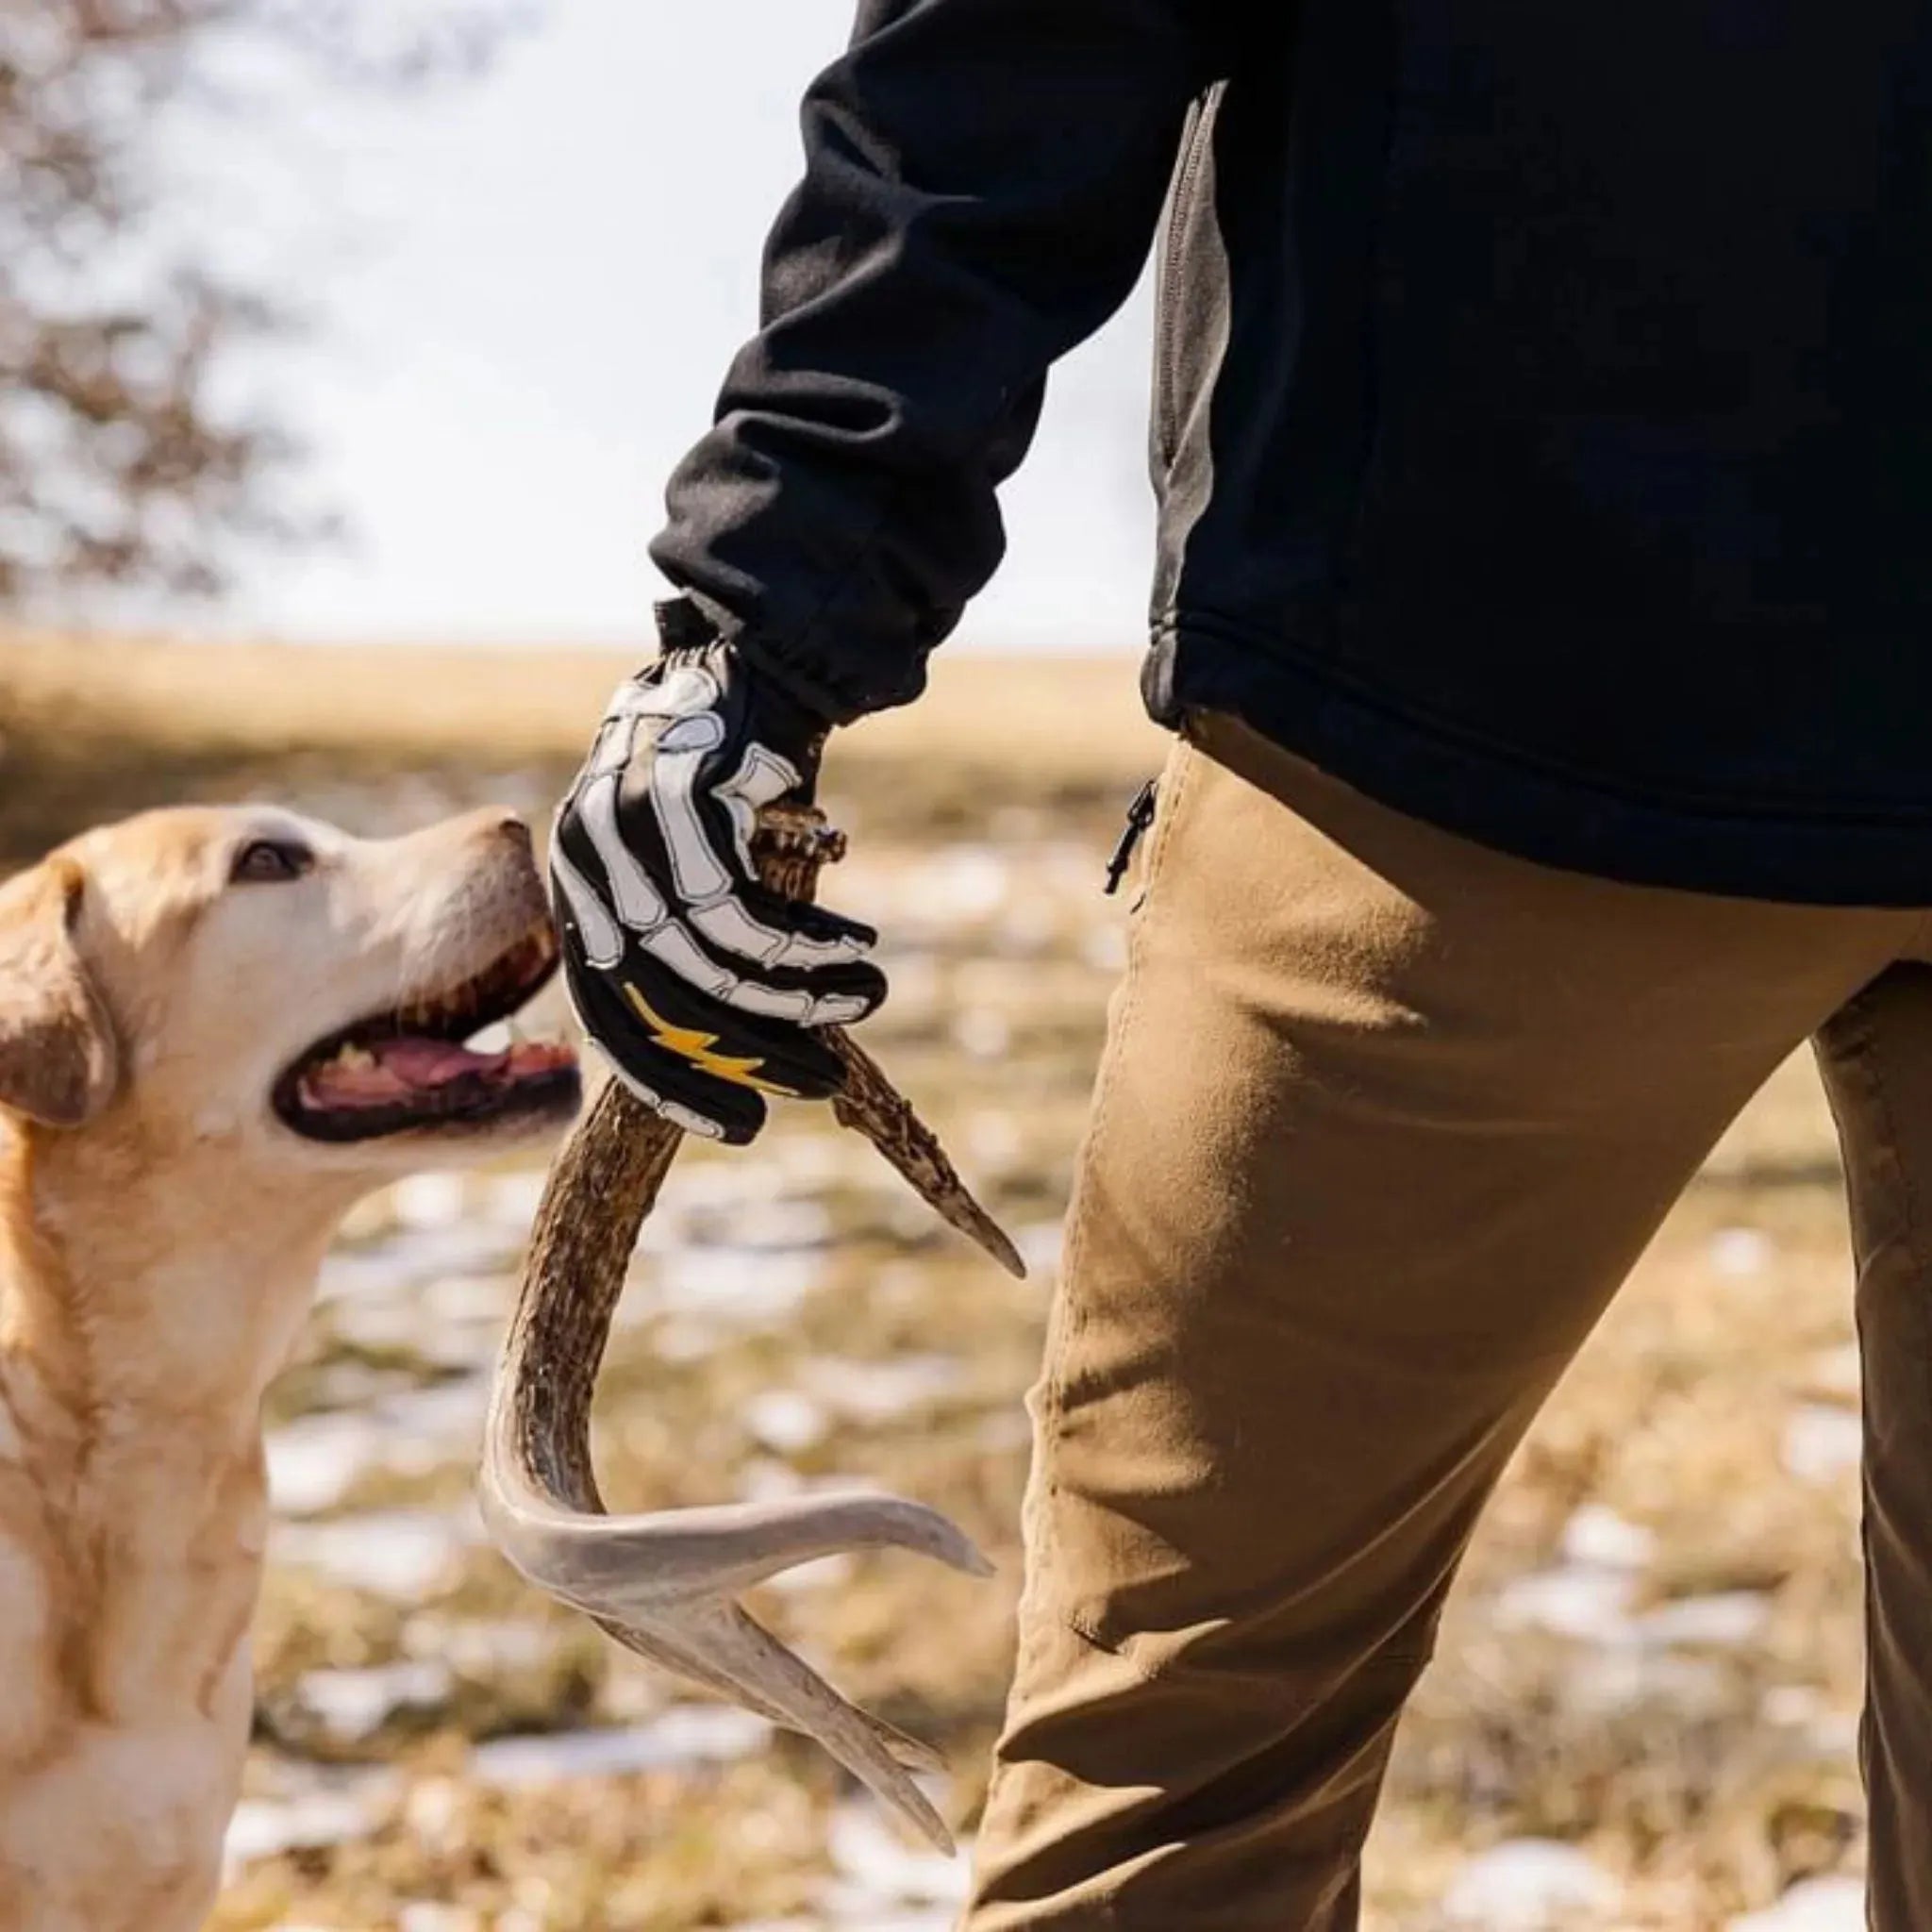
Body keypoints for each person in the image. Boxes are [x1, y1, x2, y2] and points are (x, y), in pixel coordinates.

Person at [546, 5, 1932, 1925]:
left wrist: (754, 630)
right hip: (1473, 707)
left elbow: (1004, 66)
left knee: (1178, 1808)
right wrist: (759, 624)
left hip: (1459, 703)